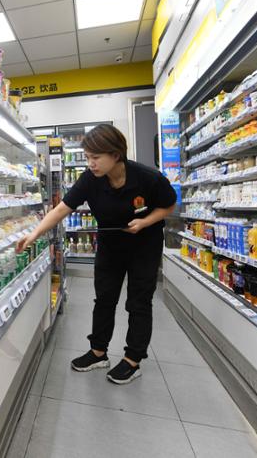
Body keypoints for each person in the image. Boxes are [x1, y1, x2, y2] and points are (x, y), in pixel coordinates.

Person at [17, 124, 176, 384]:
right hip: (110, 246)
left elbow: (169, 205)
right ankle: (98, 352)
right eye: (88, 157)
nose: (90, 163)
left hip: (144, 246)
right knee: (104, 299)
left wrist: (145, 222)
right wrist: (34, 234)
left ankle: (133, 359)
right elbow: (62, 209)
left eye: (96, 157)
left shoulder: (147, 177)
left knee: (138, 302)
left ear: (115, 154)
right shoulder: (90, 179)